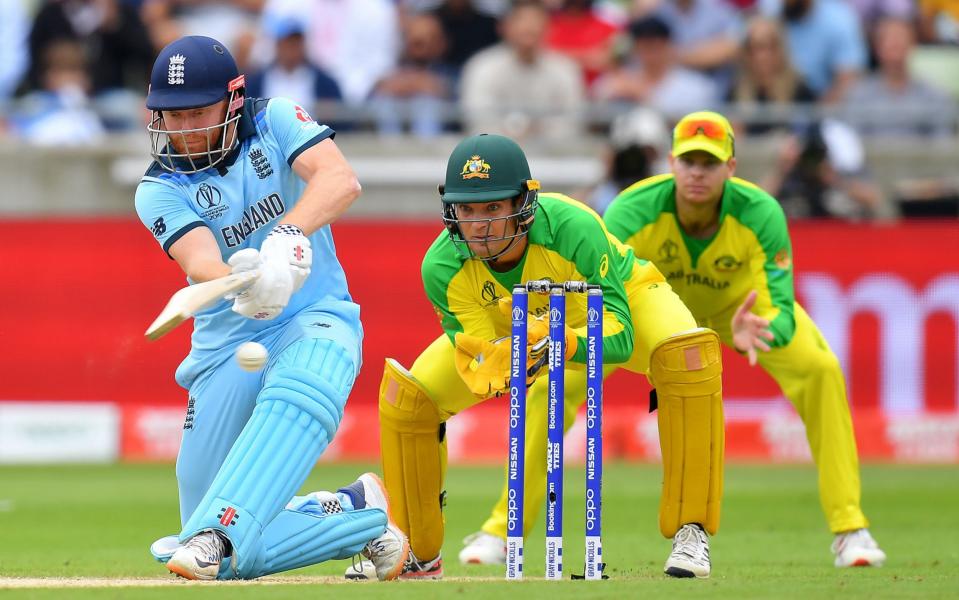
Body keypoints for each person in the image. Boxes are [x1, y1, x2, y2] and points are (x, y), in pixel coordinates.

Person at [365, 132, 725, 579]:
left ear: (524, 202)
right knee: (411, 399)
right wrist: (507, 364)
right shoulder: (442, 266)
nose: (481, 225)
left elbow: (620, 337)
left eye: (494, 207)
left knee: (686, 356)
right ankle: (417, 550)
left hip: (622, 304)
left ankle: (691, 531)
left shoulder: (574, 227)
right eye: (469, 210)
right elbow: (479, 355)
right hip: (513, 323)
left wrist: (562, 343)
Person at [134, 35, 409, 581]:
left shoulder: (276, 119)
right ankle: (357, 513)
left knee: (304, 384)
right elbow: (202, 264)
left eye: (196, 113)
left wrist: (287, 236)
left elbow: (339, 179)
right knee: (216, 541)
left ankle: (222, 534)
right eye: (170, 116)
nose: (183, 129)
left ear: (233, 103)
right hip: (224, 350)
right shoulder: (156, 188)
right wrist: (244, 281)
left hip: (317, 317)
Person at [603, 111, 887, 567]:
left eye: (709, 163)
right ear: (671, 163)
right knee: (564, 372)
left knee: (821, 370)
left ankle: (850, 528)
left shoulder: (759, 212)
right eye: (689, 161)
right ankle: (501, 527)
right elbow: (606, 297)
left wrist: (753, 333)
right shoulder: (630, 211)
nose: (697, 172)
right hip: (664, 321)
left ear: (731, 168)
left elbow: (779, 307)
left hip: (742, 317)